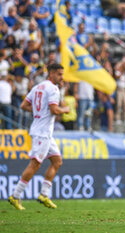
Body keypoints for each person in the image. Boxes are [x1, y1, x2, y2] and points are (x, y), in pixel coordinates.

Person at [8, 63, 70, 210]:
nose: (62, 77)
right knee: (35, 164)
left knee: (57, 161)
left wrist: (39, 111)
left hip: (44, 132)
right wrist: (65, 109)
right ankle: (15, 195)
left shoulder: (37, 87)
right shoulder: (53, 89)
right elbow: (54, 110)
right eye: (59, 74)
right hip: (42, 133)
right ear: (52, 74)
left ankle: (44, 194)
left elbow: (24, 105)